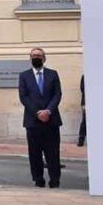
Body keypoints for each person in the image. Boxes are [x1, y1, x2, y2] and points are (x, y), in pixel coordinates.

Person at [19, 48, 63, 188]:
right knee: (34, 152)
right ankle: (38, 179)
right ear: (30, 58)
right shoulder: (24, 76)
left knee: (53, 152)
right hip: (33, 120)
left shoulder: (53, 74)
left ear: (44, 58)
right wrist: (38, 112)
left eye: (38, 55)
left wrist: (48, 111)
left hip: (51, 120)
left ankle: (54, 179)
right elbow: (23, 97)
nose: (36, 58)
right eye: (33, 56)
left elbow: (57, 95)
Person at [77, 76, 86, 147]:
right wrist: (84, 104)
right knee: (85, 121)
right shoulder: (84, 76)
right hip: (86, 103)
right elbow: (82, 89)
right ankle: (81, 139)